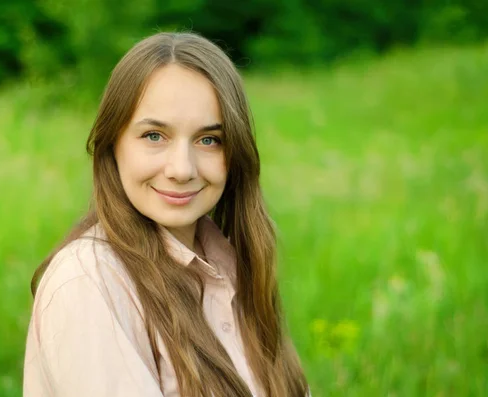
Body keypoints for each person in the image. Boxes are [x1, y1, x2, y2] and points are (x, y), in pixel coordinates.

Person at [23, 31, 309, 397]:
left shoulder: (234, 266)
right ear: (113, 145)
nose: (182, 169)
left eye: (209, 140)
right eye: (155, 136)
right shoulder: (89, 282)